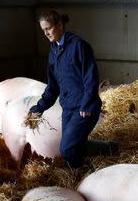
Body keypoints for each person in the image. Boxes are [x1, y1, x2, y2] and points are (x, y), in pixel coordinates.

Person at [27, 9, 119, 168]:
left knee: (67, 149)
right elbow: (53, 86)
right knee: (73, 147)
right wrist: (38, 108)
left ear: (60, 25)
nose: (46, 33)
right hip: (68, 108)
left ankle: (87, 168)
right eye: (43, 30)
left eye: (48, 28)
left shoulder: (79, 46)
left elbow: (91, 78)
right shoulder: (53, 52)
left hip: (85, 108)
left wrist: (87, 104)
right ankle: (108, 150)